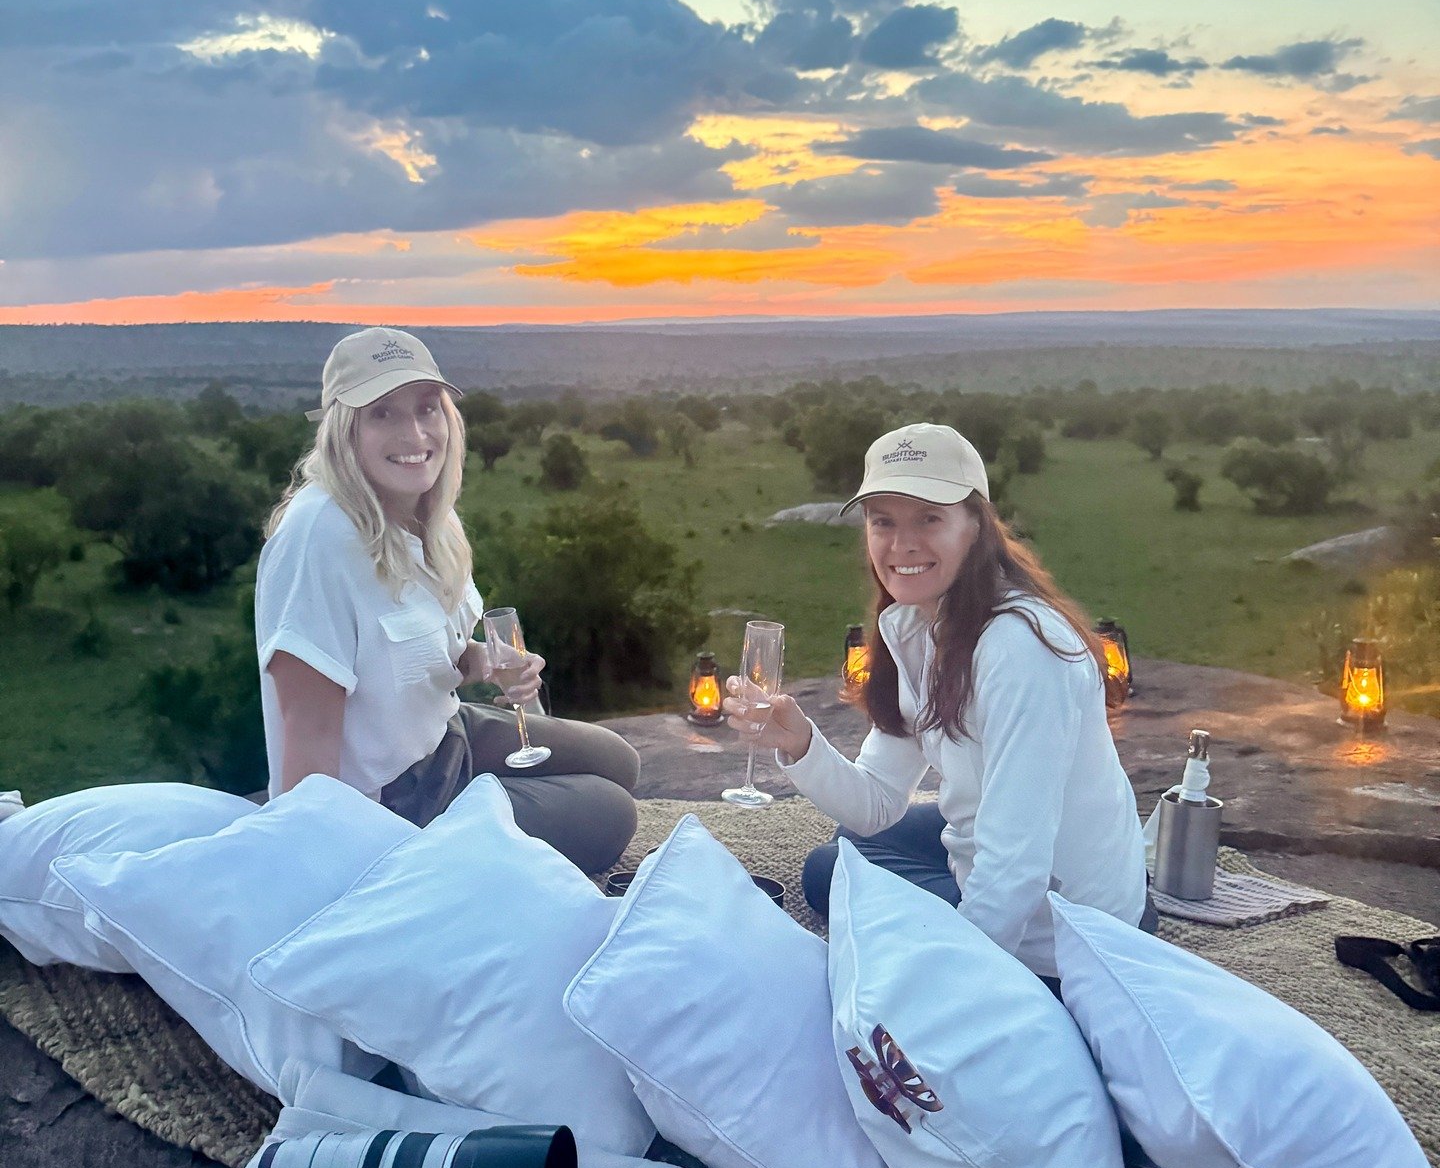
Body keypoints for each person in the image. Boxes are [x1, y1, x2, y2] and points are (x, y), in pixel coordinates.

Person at [724, 423, 1151, 984]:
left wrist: (955, 986)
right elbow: (876, 804)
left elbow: (1015, 870)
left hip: (1064, 930)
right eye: (884, 522)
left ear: (977, 526)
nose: (902, 544)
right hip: (1014, 861)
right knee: (851, 844)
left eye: (929, 518)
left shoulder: (1021, 650)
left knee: (832, 870)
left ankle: (939, 929)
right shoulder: (917, 627)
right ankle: (921, 905)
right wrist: (800, 743)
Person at [254, 326, 640, 873]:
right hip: (394, 801)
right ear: (344, 429)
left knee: (618, 760)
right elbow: (308, 729)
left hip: (447, 738)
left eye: (427, 408)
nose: (414, 434)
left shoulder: (426, 512)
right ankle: (428, 863)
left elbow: (445, 656)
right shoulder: (317, 538)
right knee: (608, 815)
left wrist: (489, 662)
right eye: (382, 413)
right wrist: (320, 871)